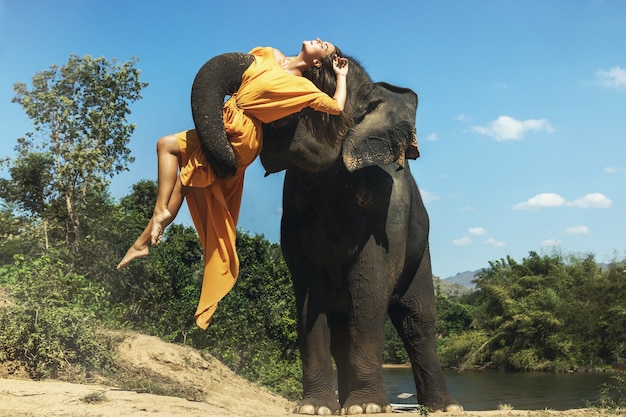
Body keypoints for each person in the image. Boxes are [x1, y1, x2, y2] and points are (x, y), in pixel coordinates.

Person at [116, 39, 350, 329]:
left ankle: (150, 231)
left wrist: (341, 76)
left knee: (189, 172)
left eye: (324, 46)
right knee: (165, 145)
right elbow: (234, 75)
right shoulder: (268, 54)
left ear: (317, 62)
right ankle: (159, 216)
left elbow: (336, 108)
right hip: (224, 118)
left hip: (242, 135)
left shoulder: (304, 87)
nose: (319, 40)